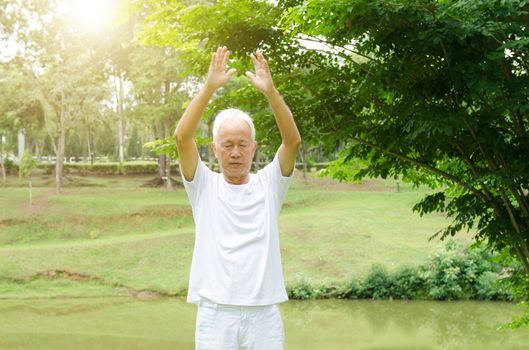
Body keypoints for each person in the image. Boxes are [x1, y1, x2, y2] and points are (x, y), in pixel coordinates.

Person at [174, 46, 301, 350]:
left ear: (254, 148)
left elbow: (292, 141)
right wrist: (208, 87)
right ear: (215, 150)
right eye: (227, 144)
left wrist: (270, 92)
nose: (235, 152)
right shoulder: (204, 185)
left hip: (263, 314)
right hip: (216, 314)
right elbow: (182, 137)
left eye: (242, 145)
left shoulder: (269, 185)